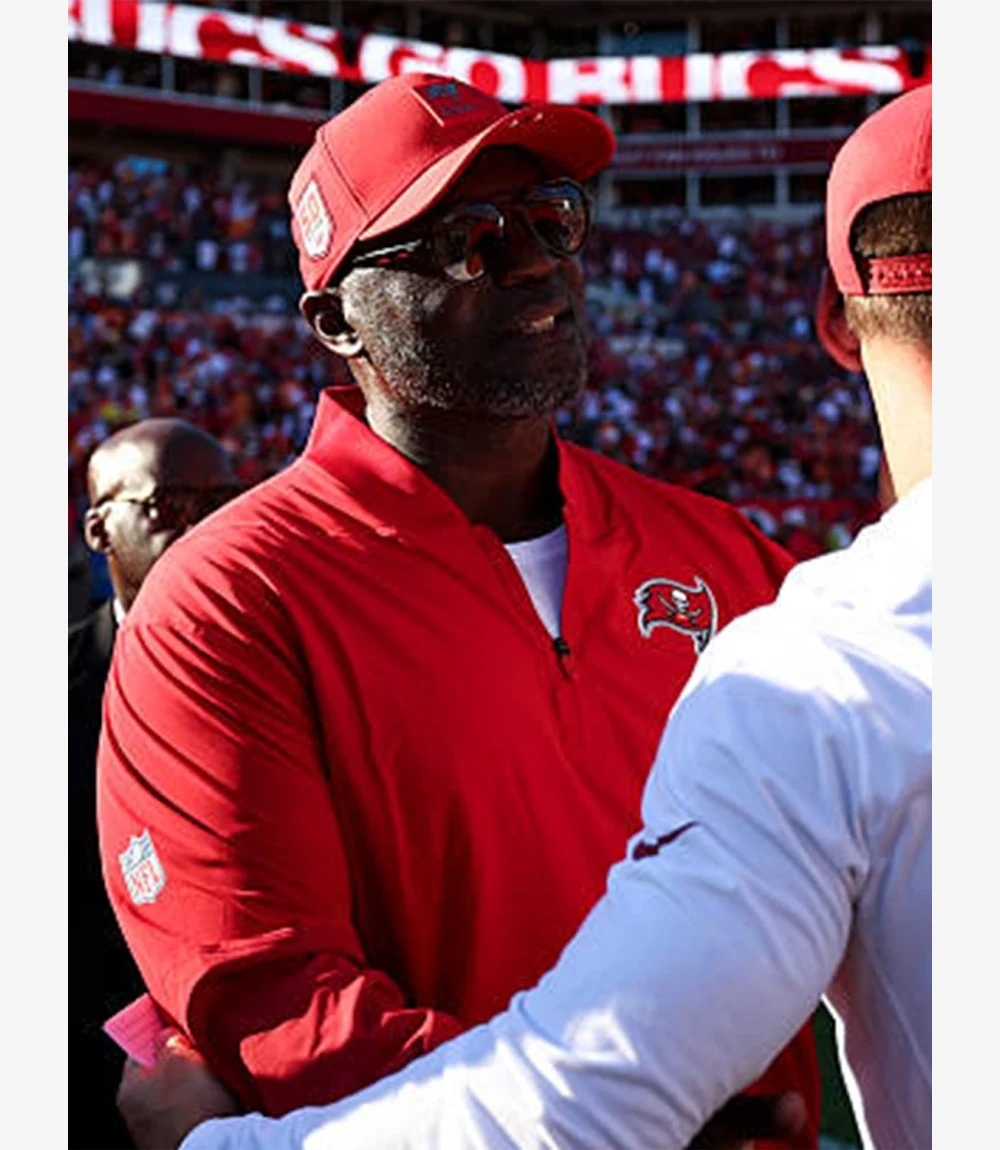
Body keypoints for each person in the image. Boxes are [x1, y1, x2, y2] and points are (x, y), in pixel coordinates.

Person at [137, 82, 930, 1150]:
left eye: (553, 216)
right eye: (464, 240)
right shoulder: (227, 600)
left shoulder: (715, 548)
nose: (532, 261)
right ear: (334, 321)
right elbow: (273, 996)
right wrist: (615, 1118)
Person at [70, 418, 239, 1149]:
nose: (201, 527)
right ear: (98, 529)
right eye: (170, 507)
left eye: (221, 503)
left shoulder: (296, 666)